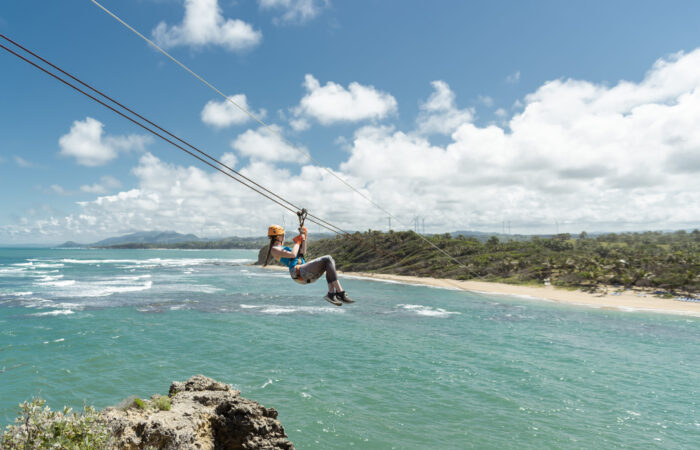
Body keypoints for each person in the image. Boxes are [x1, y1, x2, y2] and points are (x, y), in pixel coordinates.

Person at [264, 224, 354, 306]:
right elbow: (293, 254)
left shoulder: (283, 248)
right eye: (283, 236)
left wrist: (303, 238)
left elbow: (303, 252)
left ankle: (331, 294)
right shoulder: (274, 249)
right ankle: (340, 293)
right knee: (328, 258)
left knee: (329, 262)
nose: (284, 237)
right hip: (297, 271)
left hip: (302, 273)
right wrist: (297, 242)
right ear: (279, 237)